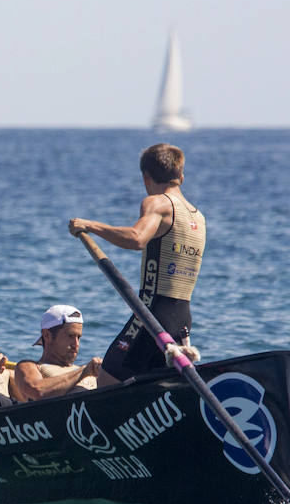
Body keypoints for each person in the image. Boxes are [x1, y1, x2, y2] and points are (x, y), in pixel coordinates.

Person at [69, 143, 205, 384]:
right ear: (181, 177)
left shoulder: (158, 203)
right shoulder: (197, 216)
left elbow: (137, 238)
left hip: (152, 317)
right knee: (153, 388)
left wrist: (89, 226)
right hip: (182, 319)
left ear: (146, 177)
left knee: (107, 380)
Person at [10, 305, 102, 403]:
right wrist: (83, 371)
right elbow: (38, 392)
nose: (76, 344)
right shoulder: (29, 366)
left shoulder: (90, 371)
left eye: (78, 337)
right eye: (70, 336)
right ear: (47, 335)